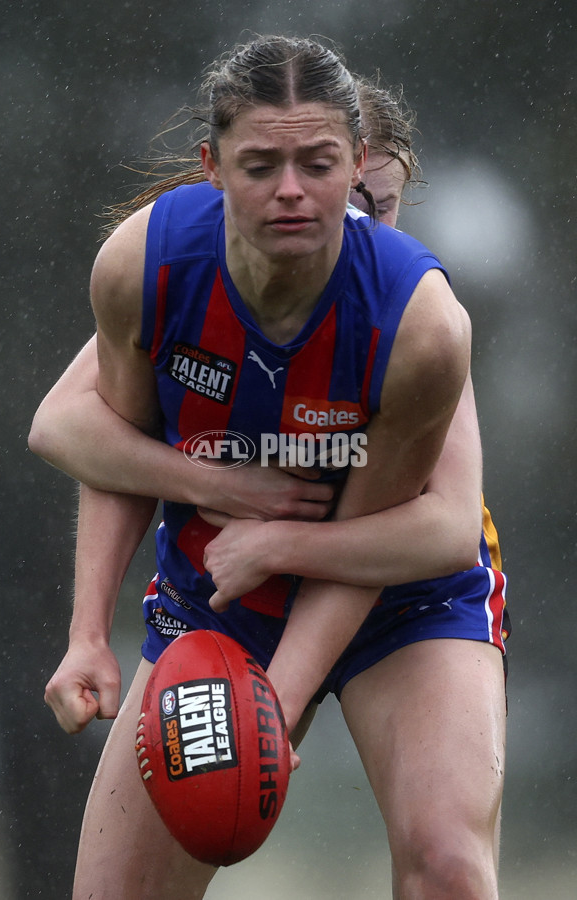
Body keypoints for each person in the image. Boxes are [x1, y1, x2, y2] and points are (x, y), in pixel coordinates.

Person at [29, 37, 507, 900]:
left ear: (355, 165)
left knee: (448, 869)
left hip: (396, 594)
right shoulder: (152, 265)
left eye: (333, 174)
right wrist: (88, 634)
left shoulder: (420, 324)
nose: (301, 197)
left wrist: (271, 707)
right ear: (214, 169)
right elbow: (93, 433)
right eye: (263, 166)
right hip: (219, 594)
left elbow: (425, 534)